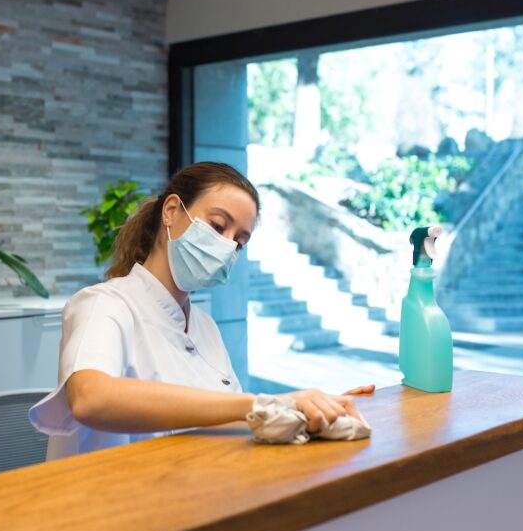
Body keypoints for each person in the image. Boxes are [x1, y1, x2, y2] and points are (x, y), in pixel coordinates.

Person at [29, 162, 374, 458]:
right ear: (172, 211)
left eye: (239, 241)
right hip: (110, 510)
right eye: (217, 225)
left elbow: (232, 419)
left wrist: (302, 410)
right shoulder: (104, 305)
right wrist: (256, 405)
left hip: (193, 490)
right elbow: (91, 399)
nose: (227, 246)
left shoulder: (204, 327)